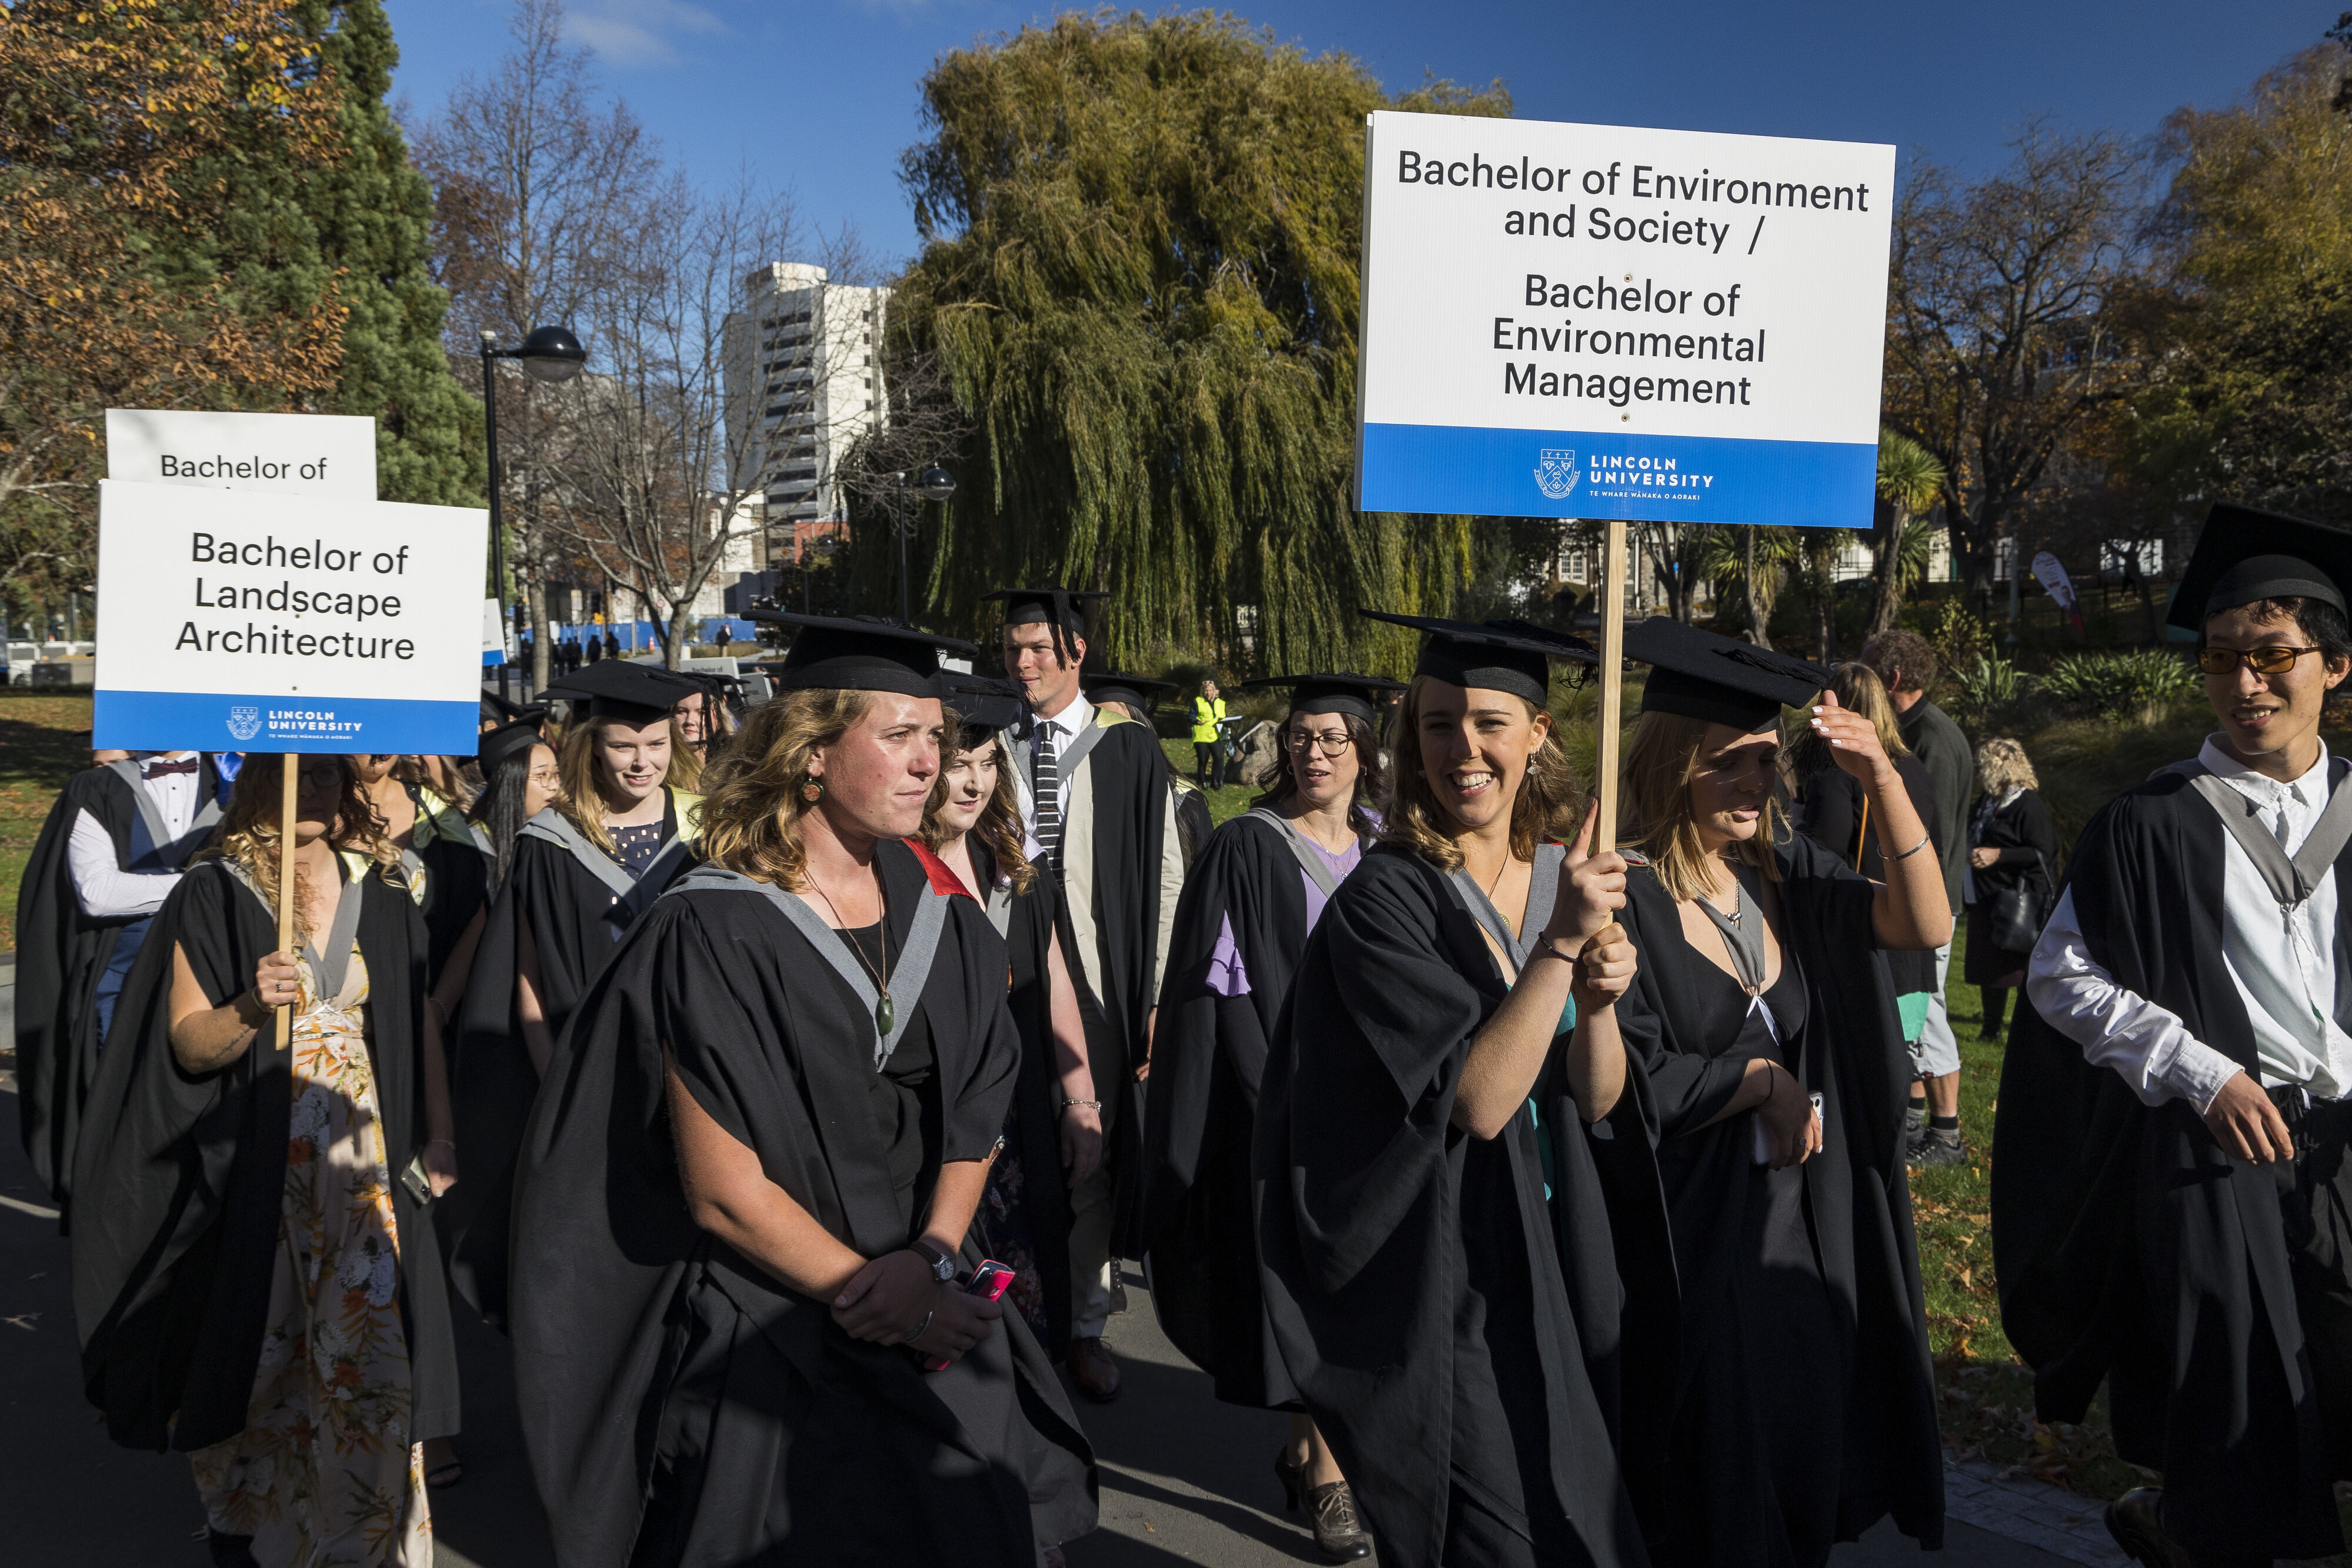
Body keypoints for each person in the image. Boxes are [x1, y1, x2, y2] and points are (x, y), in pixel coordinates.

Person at [509, 612, 1096, 1566]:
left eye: (934, 739)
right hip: (777, 1332)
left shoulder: (939, 912)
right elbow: (721, 1190)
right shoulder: (712, 929)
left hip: (934, 1301)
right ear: (813, 753)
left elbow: (977, 1116)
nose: (929, 765)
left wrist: (934, 1261)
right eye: (898, 736)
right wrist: (887, 1297)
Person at [1995, 504, 2352, 1566]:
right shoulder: (2147, 821)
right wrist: (2196, 1072)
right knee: (2229, 1406)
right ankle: (2195, 1532)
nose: (2245, 684)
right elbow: (2060, 975)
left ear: (2332, 666)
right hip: (2213, 1153)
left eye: (2272, 657)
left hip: (2346, 1149)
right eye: (2221, 661)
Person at [1256, 613, 1647, 1568]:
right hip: (1451, 1267)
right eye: (1436, 725)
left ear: (1538, 735)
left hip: (1557, 1254)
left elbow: (1593, 1102)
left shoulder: (1563, 876)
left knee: (1580, 1521)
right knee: (1495, 1533)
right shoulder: (1385, 900)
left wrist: (1596, 1001)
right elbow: (1475, 1103)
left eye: (1487, 722)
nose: (1461, 749)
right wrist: (1555, 949)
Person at [1594, 618, 1948, 1567]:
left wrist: (1880, 775)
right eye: (1728, 764)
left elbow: (1921, 918)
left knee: (1797, 1471)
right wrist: (1756, 1083)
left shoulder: (1781, 874)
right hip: (1692, 1240)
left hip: (1801, 1234)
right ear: (1671, 764)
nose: (1755, 783)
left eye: (1763, 761)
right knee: (1712, 1494)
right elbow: (1625, 1083)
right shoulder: (1623, 895)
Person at [70, 754, 458, 1568]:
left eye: (325, 775)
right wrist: (252, 1004)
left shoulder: (382, 886)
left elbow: (417, 1013)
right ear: (255, 785)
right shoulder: (211, 894)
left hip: (361, 1157)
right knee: (264, 1355)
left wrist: (442, 1135)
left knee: (369, 1361)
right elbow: (189, 1043)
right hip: (258, 1169)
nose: (310, 790)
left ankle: (362, 1544)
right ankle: (264, 1536)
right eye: (293, 775)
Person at [1145, 672, 1400, 1562]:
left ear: (1365, 748)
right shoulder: (1249, 847)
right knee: (1311, 1284)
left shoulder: (1387, 845)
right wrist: (1279, 1102)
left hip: (1383, 1104)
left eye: (1333, 737)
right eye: (1300, 736)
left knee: (1359, 1284)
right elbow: (1225, 993)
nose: (1315, 752)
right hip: (1284, 1103)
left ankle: (1306, 1447)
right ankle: (1330, 1475)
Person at [446, 657, 704, 1326]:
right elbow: (526, 978)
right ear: (592, 744)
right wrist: (556, 1077)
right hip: (590, 1077)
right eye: (624, 745)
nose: (641, 762)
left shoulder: (714, 832)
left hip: (701, 1074)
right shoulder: (551, 842)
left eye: (656, 744)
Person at [986, 585, 1186, 1402]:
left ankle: (1085, 1325)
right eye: (1012, 649)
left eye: (1038, 648)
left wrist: (1156, 994)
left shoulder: (1128, 750)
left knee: (1089, 1153)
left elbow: (1168, 877)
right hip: (1008, 973)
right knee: (1010, 1147)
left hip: (1102, 975)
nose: (1023, 663)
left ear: (1076, 653)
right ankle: (1018, 1316)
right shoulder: (986, 742)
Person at [921, 673, 1098, 1359]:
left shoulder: (1013, 865)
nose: (974, 783)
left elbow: (1052, 977)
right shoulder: (891, 874)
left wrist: (1081, 1098)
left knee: (1028, 1280)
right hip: (939, 1122)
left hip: (1021, 1113)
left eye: (989, 763)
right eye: (958, 764)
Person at [16, 749, 226, 1219]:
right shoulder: (98, 789)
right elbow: (98, 893)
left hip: (218, 979)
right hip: (123, 983)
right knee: (125, 1108)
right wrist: (203, 881)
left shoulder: (241, 784)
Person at [1786, 662, 1949, 1160]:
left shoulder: (1840, 772)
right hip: (1910, 944)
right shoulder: (1911, 766)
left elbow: (1828, 845)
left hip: (1865, 933)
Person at [1860, 630, 1972, 1180]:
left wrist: (1927, 903)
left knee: (1927, 1014)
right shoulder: (1920, 730)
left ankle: (1947, 1131)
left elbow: (1934, 832)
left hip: (1932, 901)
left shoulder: (1929, 739)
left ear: (1893, 679)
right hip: (1922, 897)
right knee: (1917, 1012)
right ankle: (1917, 1118)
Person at [1961, 738, 2058, 1049]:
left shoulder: (2028, 804)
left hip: (2018, 902)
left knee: (2019, 970)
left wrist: (1999, 854)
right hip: (1987, 898)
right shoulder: (1988, 803)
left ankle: (2028, 1031)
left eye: (1983, 767)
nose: (1978, 773)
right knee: (1993, 971)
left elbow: (2044, 851)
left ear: (1997, 769)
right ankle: (1991, 1029)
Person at [1083, 669, 1215, 862]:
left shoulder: (1184, 799)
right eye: (1092, 721)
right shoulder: (1075, 790)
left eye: (1112, 721)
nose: (1099, 732)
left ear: (1140, 727)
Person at [1192, 678, 1229, 789]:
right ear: (1203, 691)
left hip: (1216, 734)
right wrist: (1196, 721)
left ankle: (1215, 780)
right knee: (1203, 759)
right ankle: (1202, 781)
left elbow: (1223, 716)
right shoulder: (1198, 701)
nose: (1209, 693)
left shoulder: (1220, 703)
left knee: (1219, 758)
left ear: (1215, 691)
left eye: (1211, 690)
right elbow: (1191, 716)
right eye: (1206, 691)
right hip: (1202, 734)